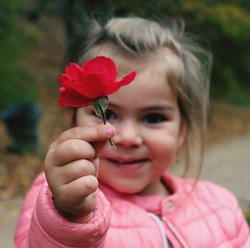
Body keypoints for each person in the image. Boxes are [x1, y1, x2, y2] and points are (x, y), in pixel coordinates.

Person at [14, 17, 250, 247]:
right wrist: (68, 217)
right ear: (72, 119)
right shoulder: (53, 197)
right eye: (109, 114)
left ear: (182, 130)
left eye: (153, 118)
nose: (127, 137)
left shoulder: (222, 208)